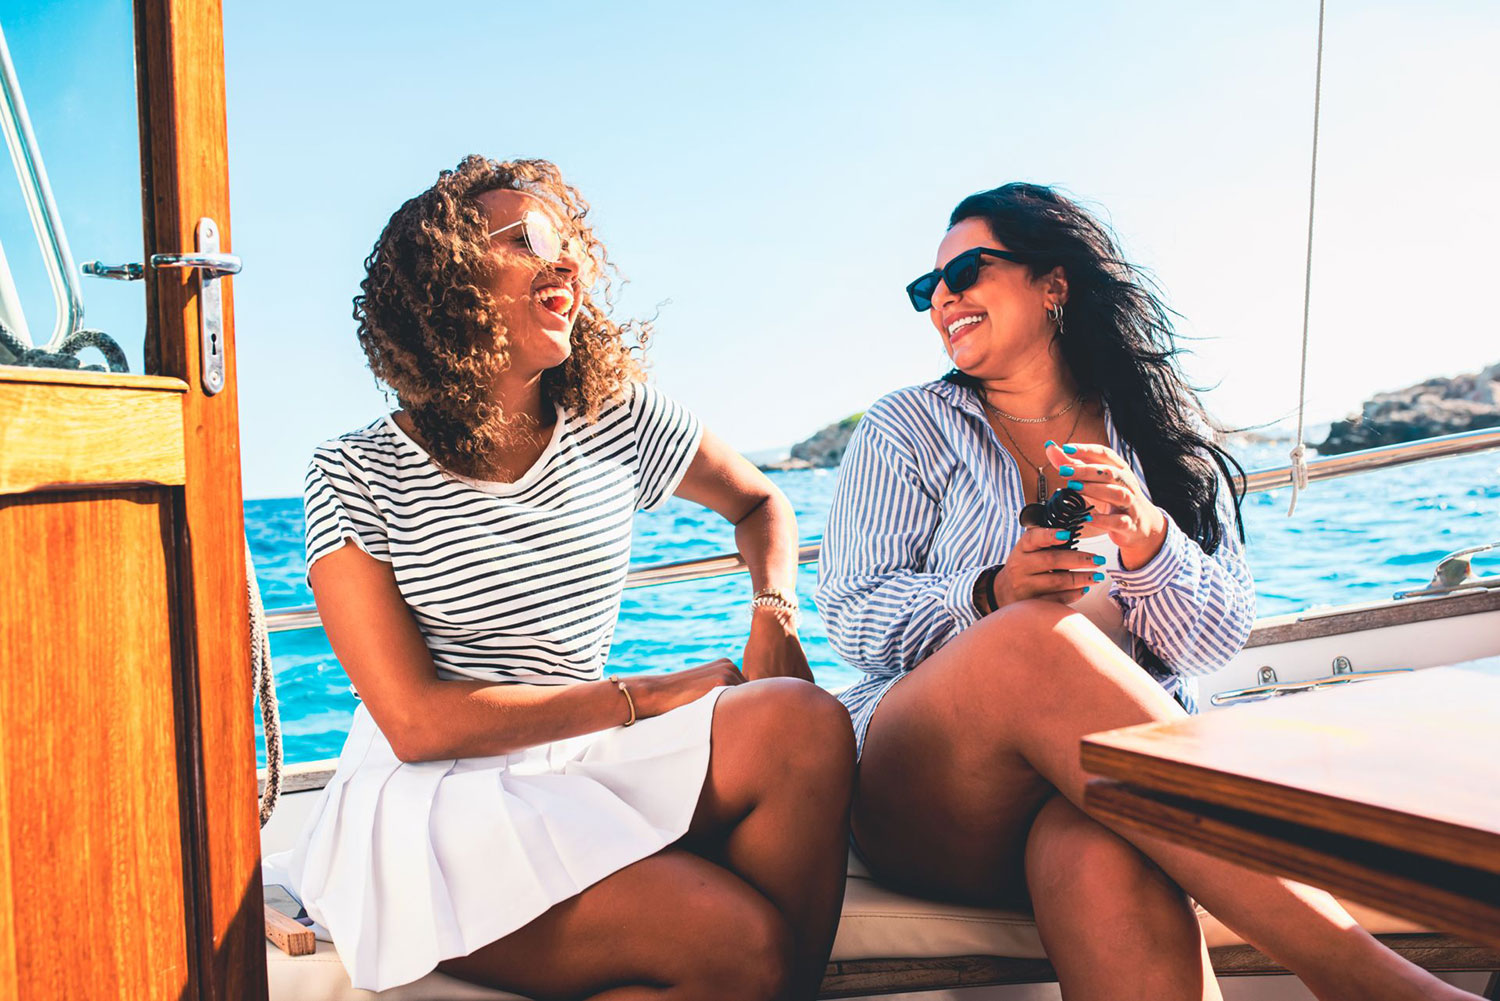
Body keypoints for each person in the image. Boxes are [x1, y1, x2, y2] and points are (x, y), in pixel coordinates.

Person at [814, 182, 1478, 1001]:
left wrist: (1149, 540)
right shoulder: (907, 427)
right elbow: (851, 613)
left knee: (1100, 854)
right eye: (928, 288)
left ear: (1053, 283)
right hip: (935, 796)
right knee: (1032, 636)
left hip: (1103, 797)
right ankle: (1374, 982)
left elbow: (1216, 641)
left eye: (966, 272)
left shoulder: (1160, 437)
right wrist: (988, 592)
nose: (943, 298)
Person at [263, 155, 854, 1000]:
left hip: (579, 757)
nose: (569, 260)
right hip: (434, 801)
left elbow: (761, 502)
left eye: (572, 240)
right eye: (532, 239)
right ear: (447, 281)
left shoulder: (617, 416)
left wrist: (773, 614)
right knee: (738, 945)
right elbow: (417, 723)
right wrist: (648, 694)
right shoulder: (356, 471)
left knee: (805, 722)